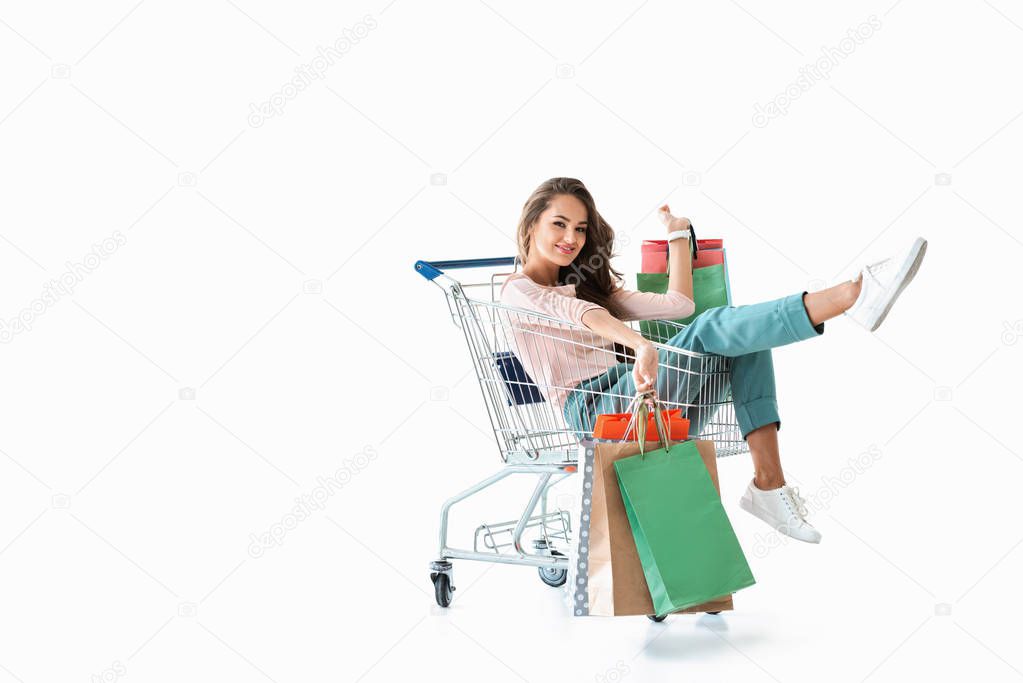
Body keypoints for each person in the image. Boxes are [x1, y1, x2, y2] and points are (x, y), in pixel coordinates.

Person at [499, 177, 927, 544]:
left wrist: (679, 235)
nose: (571, 238)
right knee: (719, 328)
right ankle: (851, 295)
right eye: (559, 224)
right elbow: (580, 315)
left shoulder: (587, 286)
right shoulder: (517, 290)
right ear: (532, 223)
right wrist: (638, 343)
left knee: (746, 337)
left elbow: (679, 305)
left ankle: (769, 486)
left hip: (638, 403)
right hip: (595, 415)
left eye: (579, 228)